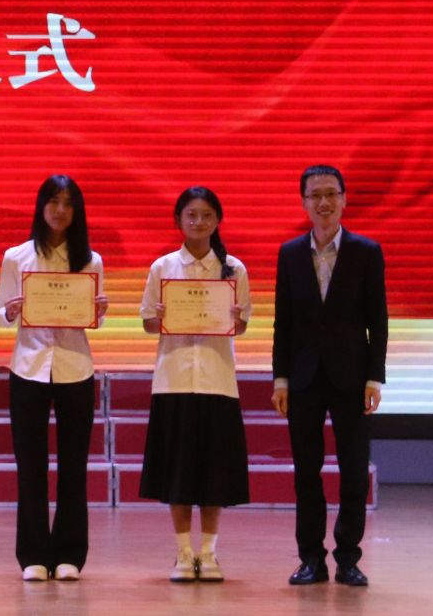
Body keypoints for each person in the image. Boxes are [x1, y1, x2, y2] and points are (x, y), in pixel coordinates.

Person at [271, 163, 388, 589]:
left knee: (354, 471)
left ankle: (348, 559)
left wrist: (375, 377)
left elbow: (378, 319)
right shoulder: (289, 253)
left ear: (344, 199)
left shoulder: (366, 251)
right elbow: (283, 323)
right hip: (303, 379)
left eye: (331, 193)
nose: (323, 202)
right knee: (307, 473)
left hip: (352, 378)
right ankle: (311, 559)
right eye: (315, 195)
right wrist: (280, 379)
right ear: (304, 202)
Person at [0, 175, 109, 582]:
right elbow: (1, 313)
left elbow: (93, 320)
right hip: (28, 367)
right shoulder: (17, 257)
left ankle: (69, 555)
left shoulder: (90, 260)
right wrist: (11, 310)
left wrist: (98, 311)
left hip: (75, 368)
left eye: (68, 203)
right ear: (41, 206)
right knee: (30, 465)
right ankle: (33, 556)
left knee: (73, 466)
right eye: (54, 202)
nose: (60, 210)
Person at [138, 185, 252, 583]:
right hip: (173, 380)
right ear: (179, 221)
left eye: (206, 215)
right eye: (191, 215)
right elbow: (148, 322)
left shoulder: (234, 270)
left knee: (214, 472)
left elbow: (242, 324)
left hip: (218, 380)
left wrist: (234, 319)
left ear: (217, 220)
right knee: (179, 472)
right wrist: (160, 317)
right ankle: (184, 553)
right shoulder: (163, 268)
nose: (198, 222)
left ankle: (210, 553)